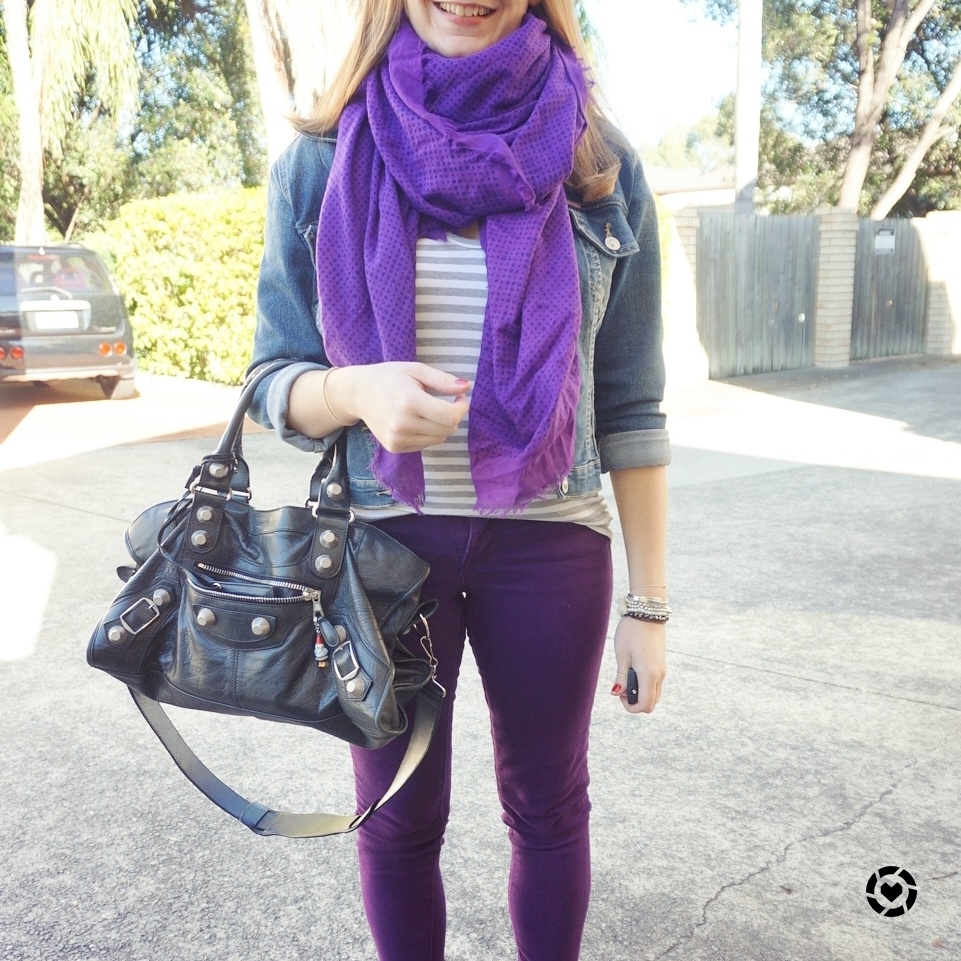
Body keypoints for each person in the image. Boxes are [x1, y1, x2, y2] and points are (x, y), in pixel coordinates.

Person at [248, 2, 670, 958]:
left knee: (549, 805)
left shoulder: (597, 162)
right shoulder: (322, 159)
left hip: (552, 540)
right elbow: (273, 381)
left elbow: (633, 406)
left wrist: (648, 604)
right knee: (396, 816)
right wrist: (355, 390)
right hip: (382, 546)